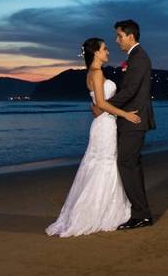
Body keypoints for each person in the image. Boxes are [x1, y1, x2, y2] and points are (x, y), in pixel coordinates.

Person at [45, 37, 141, 237]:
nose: (108, 52)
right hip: (105, 126)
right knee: (104, 165)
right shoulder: (96, 73)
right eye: (105, 49)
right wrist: (126, 115)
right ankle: (98, 213)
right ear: (96, 52)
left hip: (104, 123)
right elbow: (101, 103)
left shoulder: (94, 73)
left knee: (102, 164)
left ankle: (104, 209)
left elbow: (97, 105)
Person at [91, 19, 156, 229]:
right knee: (130, 165)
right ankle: (139, 212)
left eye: (119, 36)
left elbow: (130, 91)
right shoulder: (134, 57)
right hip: (129, 119)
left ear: (130, 36)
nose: (117, 40)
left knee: (127, 164)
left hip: (134, 118)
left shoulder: (139, 58)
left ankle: (141, 214)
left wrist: (103, 106)